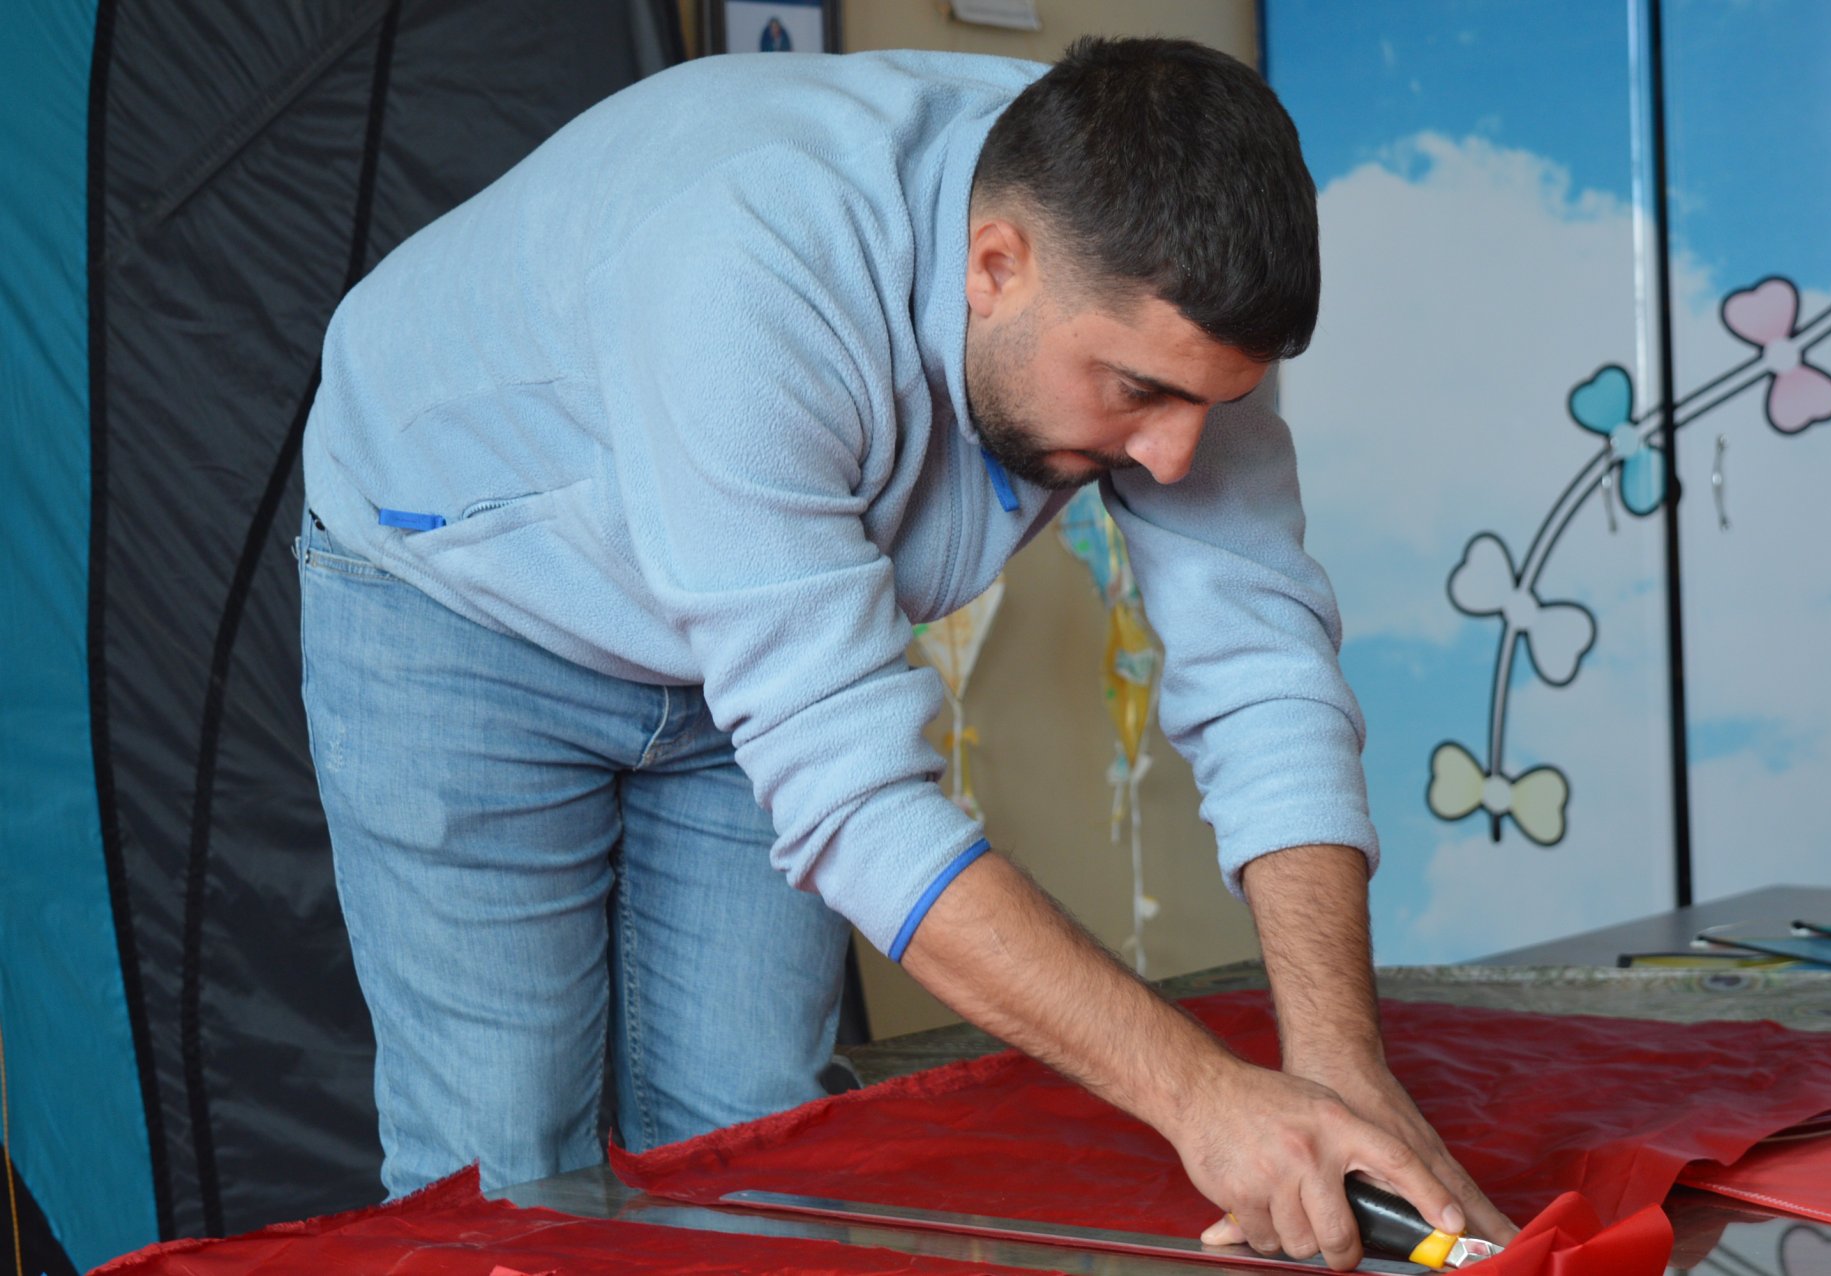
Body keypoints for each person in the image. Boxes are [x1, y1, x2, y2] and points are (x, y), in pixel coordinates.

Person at [297, 36, 1516, 1270]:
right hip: (460, 595)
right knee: (503, 1172)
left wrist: (1339, 1065)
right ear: (996, 266)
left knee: (757, 1141)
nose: (1174, 457)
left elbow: (1265, 672)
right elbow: (857, 802)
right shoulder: (750, 270)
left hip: (748, 634)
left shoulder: (1164, 298)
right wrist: (1205, 1098)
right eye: (1137, 393)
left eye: (1216, 402)